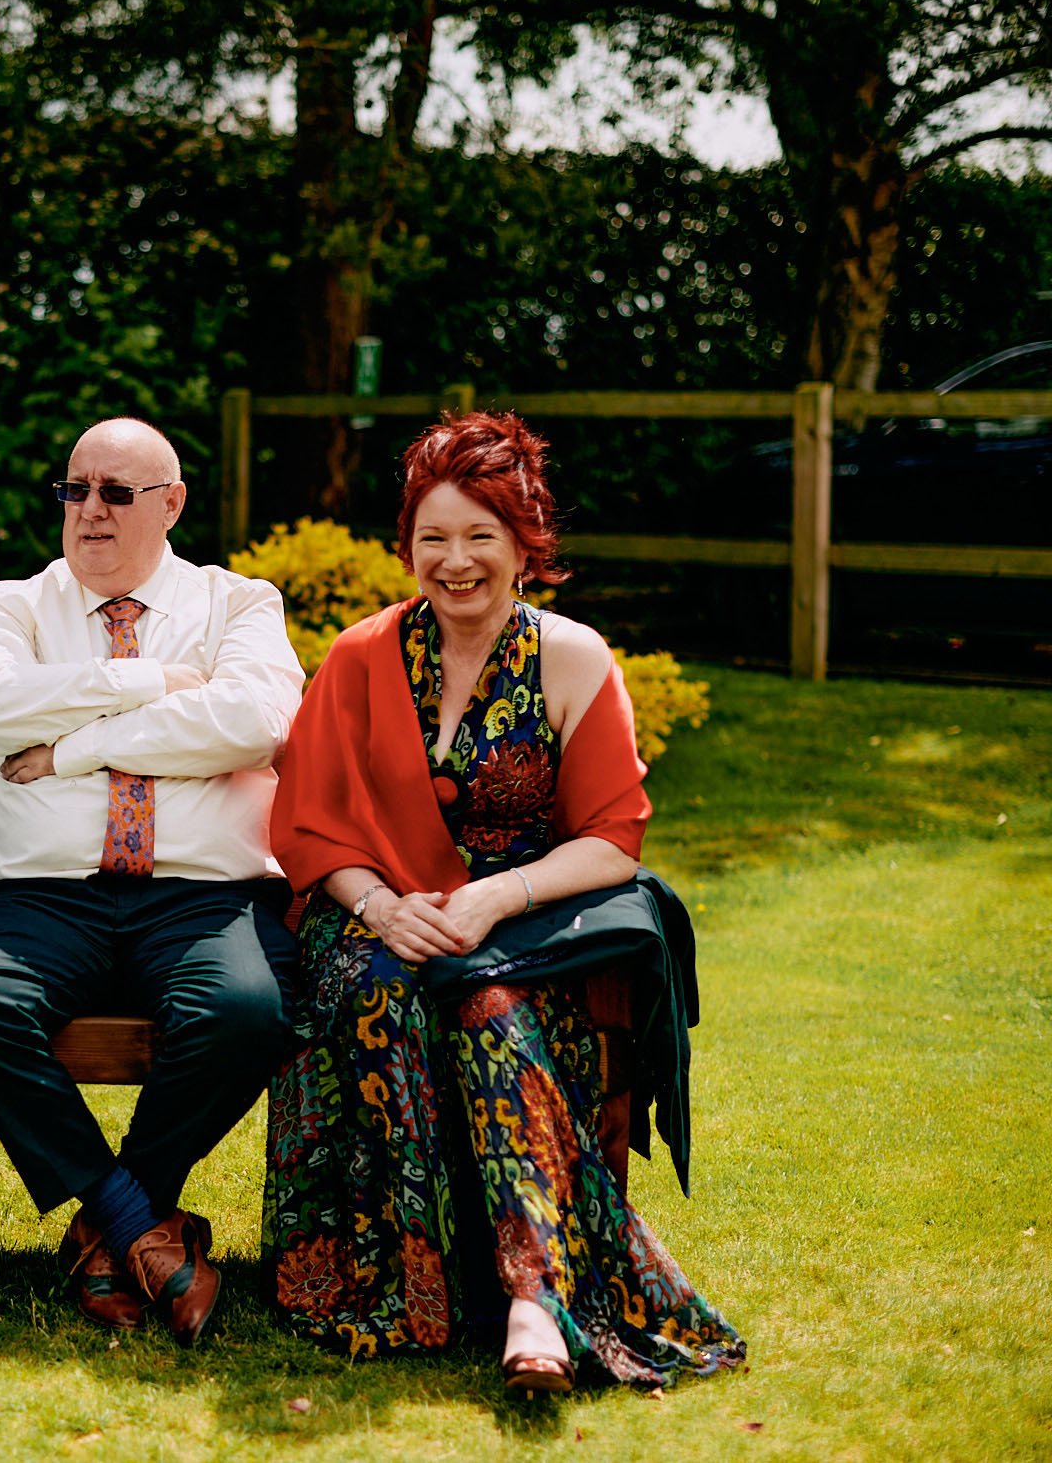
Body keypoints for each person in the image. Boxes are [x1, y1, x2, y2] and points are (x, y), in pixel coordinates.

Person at [263, 411, 744, 1390]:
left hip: (520, 930)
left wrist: (492, 901)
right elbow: (306, 824)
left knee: (489, 1012)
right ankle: (405, 1276)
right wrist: (380, 907)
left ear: (525, 544)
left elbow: (613, 837)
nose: (454, 562)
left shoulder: (571, 660)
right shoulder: (361, 657)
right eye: (431, 539)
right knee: (380, 993)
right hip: (375, 914)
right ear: (406, 551)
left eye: (479, 536)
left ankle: (535, 1297)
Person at [0, 417, 306, 1345]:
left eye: (116, 493)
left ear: (170, 504)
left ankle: (110, 1225)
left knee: (248, 1009)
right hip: (46, 894)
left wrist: (76, 746)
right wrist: (155, 682)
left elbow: (254, 718)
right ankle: (136, 1222)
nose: (89, 510)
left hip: (204, 895)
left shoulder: (238, 603)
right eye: (75, 489)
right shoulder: (10, 605)